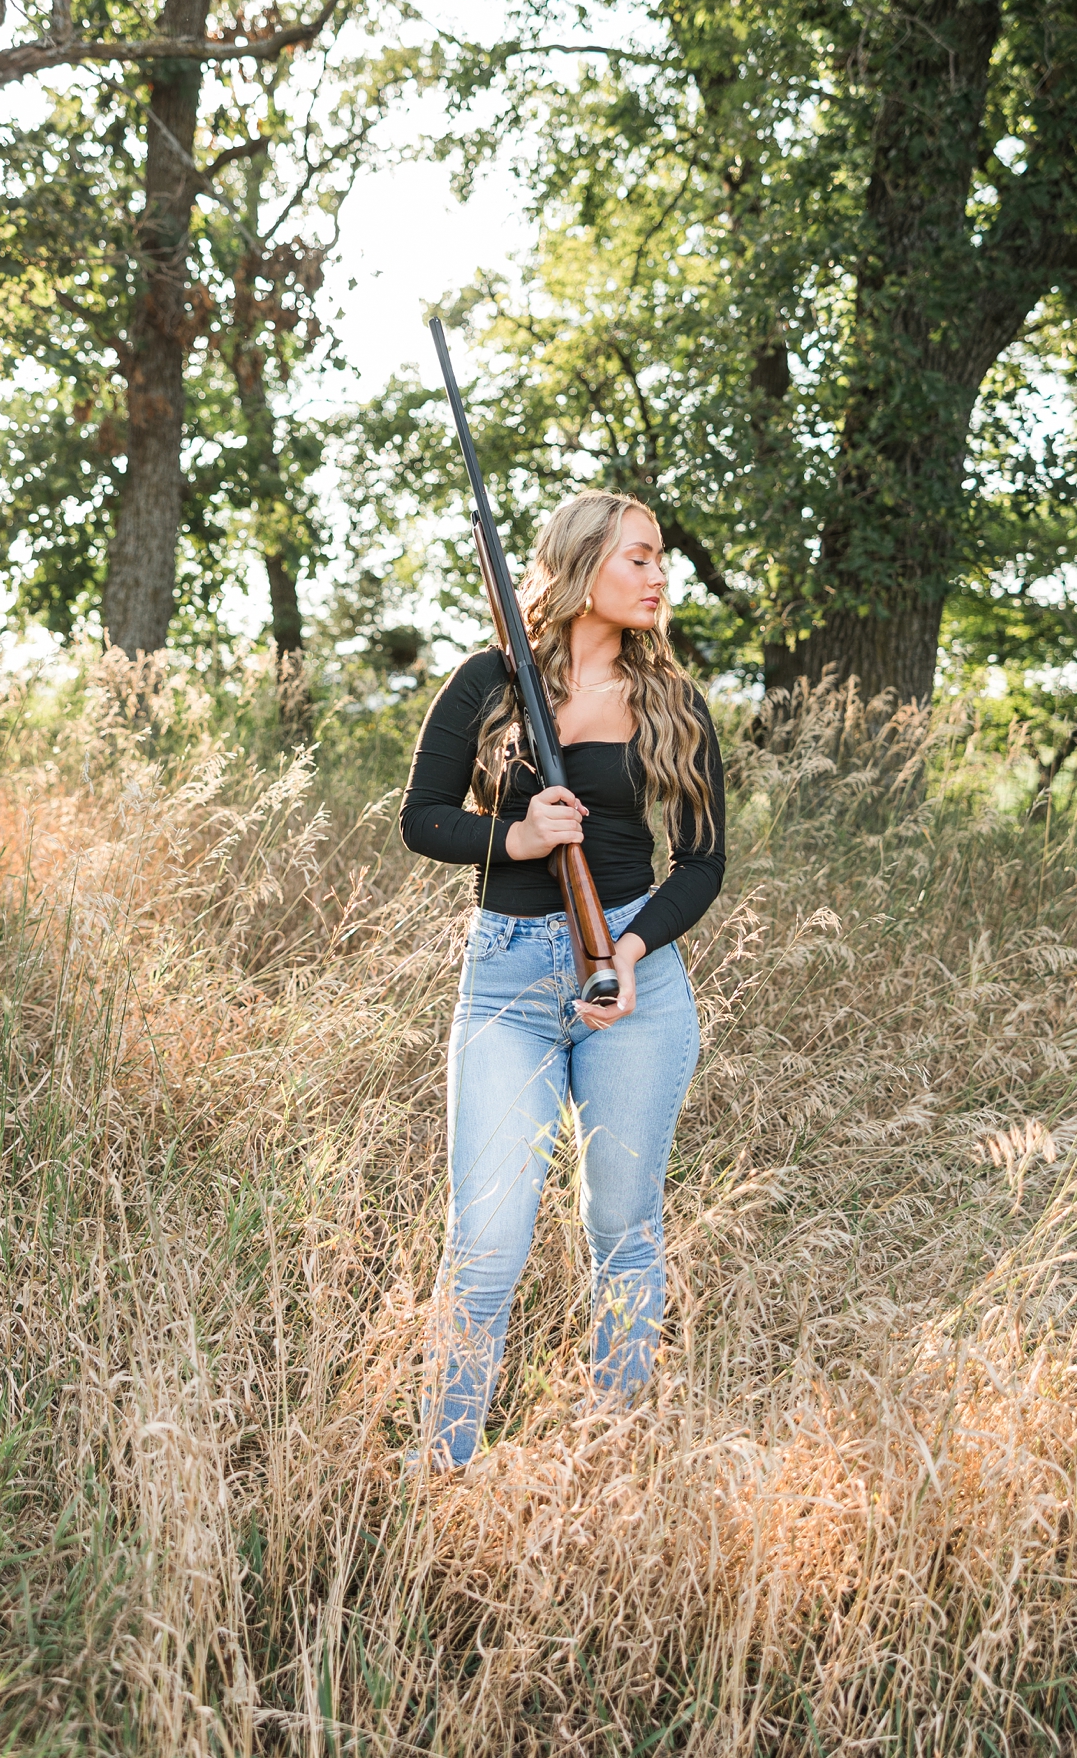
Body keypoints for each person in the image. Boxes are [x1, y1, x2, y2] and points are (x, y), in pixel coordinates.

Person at [399, 490, 725, 1469]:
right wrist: (518, 836)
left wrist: (629, 954)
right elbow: (421, 818)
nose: (660, 575)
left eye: (660, 558)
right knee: (487, 1241)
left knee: (622, 1230)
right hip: (506, 982)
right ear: (584, 566)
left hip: (634, 973)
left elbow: (702, 864)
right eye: (640, 557)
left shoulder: (673, 699)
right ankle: (441, 1463)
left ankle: (610, 1462)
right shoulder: (486, 685)